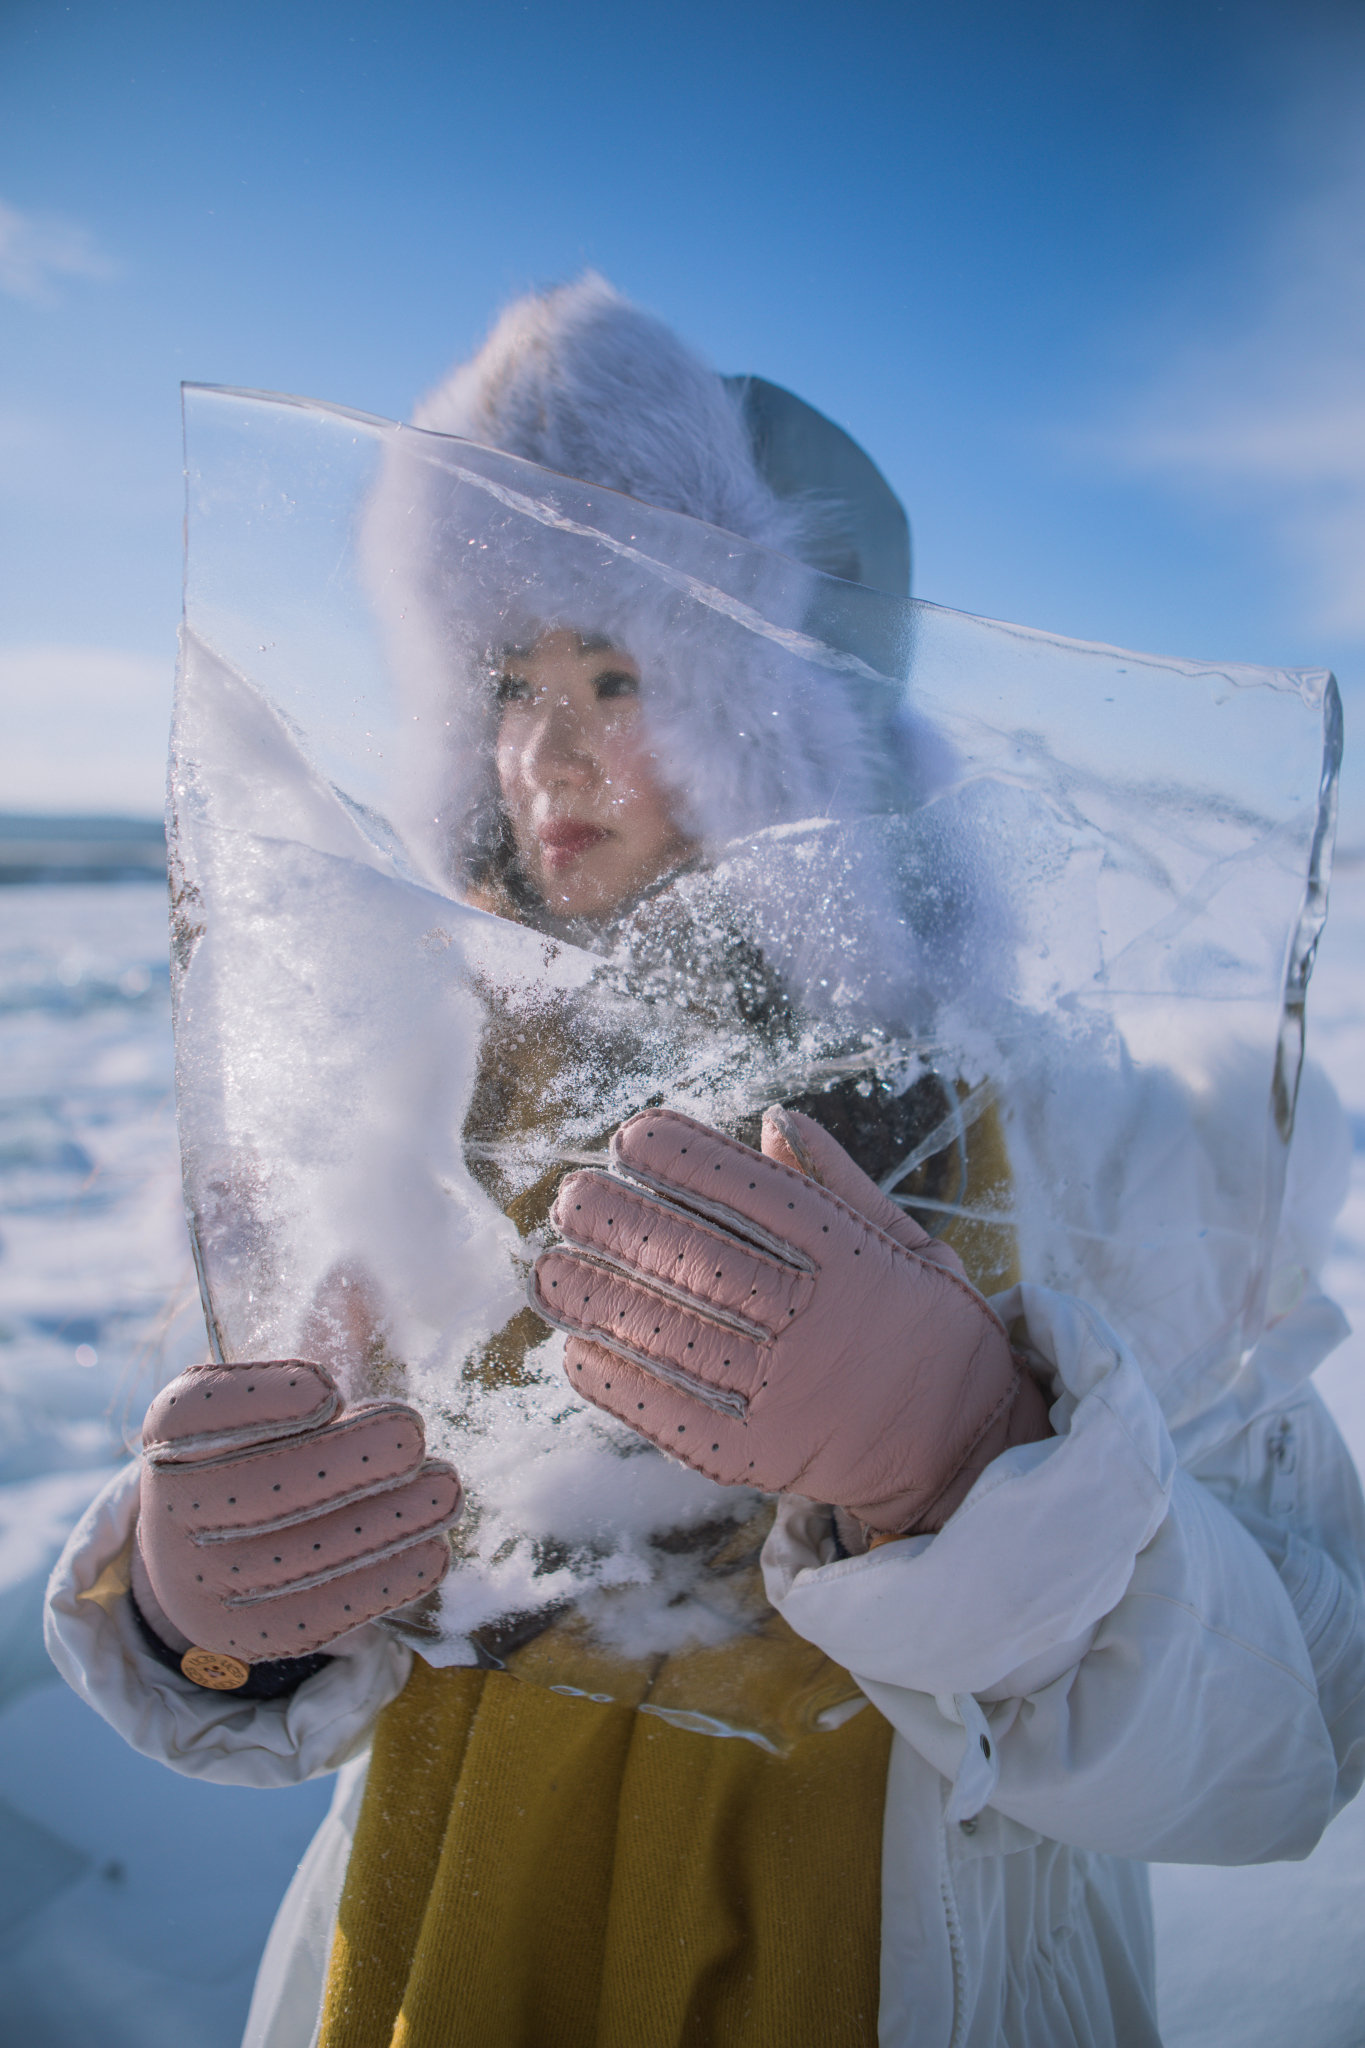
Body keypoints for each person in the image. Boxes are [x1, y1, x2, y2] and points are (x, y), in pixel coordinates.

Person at [46, 277, 1365, 2048]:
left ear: (791, 719)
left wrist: (979, 1467)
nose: (548, 749)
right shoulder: (401, 1106)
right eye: (510, 680)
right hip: (436, 1961)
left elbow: (1298, 1734)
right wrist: (206, 1616)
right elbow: (284, 1612)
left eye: (621, 669)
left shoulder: (1085, 1137)